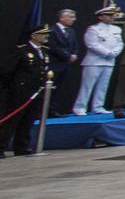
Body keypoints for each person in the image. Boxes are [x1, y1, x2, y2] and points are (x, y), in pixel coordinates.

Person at [5, 22, 51, 156]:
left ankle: (21, 147)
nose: (45, 37)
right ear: (34, 36)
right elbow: (9, 70)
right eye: (43, 34)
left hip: (37, 91)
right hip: (21, 91)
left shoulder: (43, 51)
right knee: (12, 120)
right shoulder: (22, 50)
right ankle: (1, 146)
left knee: (28, 120)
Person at [76, 6, 123, 116]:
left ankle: (98, 106)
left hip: (110, 61)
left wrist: (115, 52)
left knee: (103, 85)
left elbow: (120, 43)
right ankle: (80, 107)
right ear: (101, 17)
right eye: (108, 15)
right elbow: (92, 44)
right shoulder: (93, 29)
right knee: (87, 85)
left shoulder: (116, 29)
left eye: (112, 15)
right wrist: (107, 53)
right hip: (94, 61)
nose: (111, 17)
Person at [47, 9, 80, 117]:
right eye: (70, 17)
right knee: (50, 89)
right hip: (55, 64)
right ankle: (44, 110)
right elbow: (53, 47)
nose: (73, 19)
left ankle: (53, 110)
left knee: (58, 89)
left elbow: (74, 45)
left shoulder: (71, 31)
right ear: (62, 18)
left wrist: (74, 54)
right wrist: (67, 56)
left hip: (65, 65)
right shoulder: (52, 30)